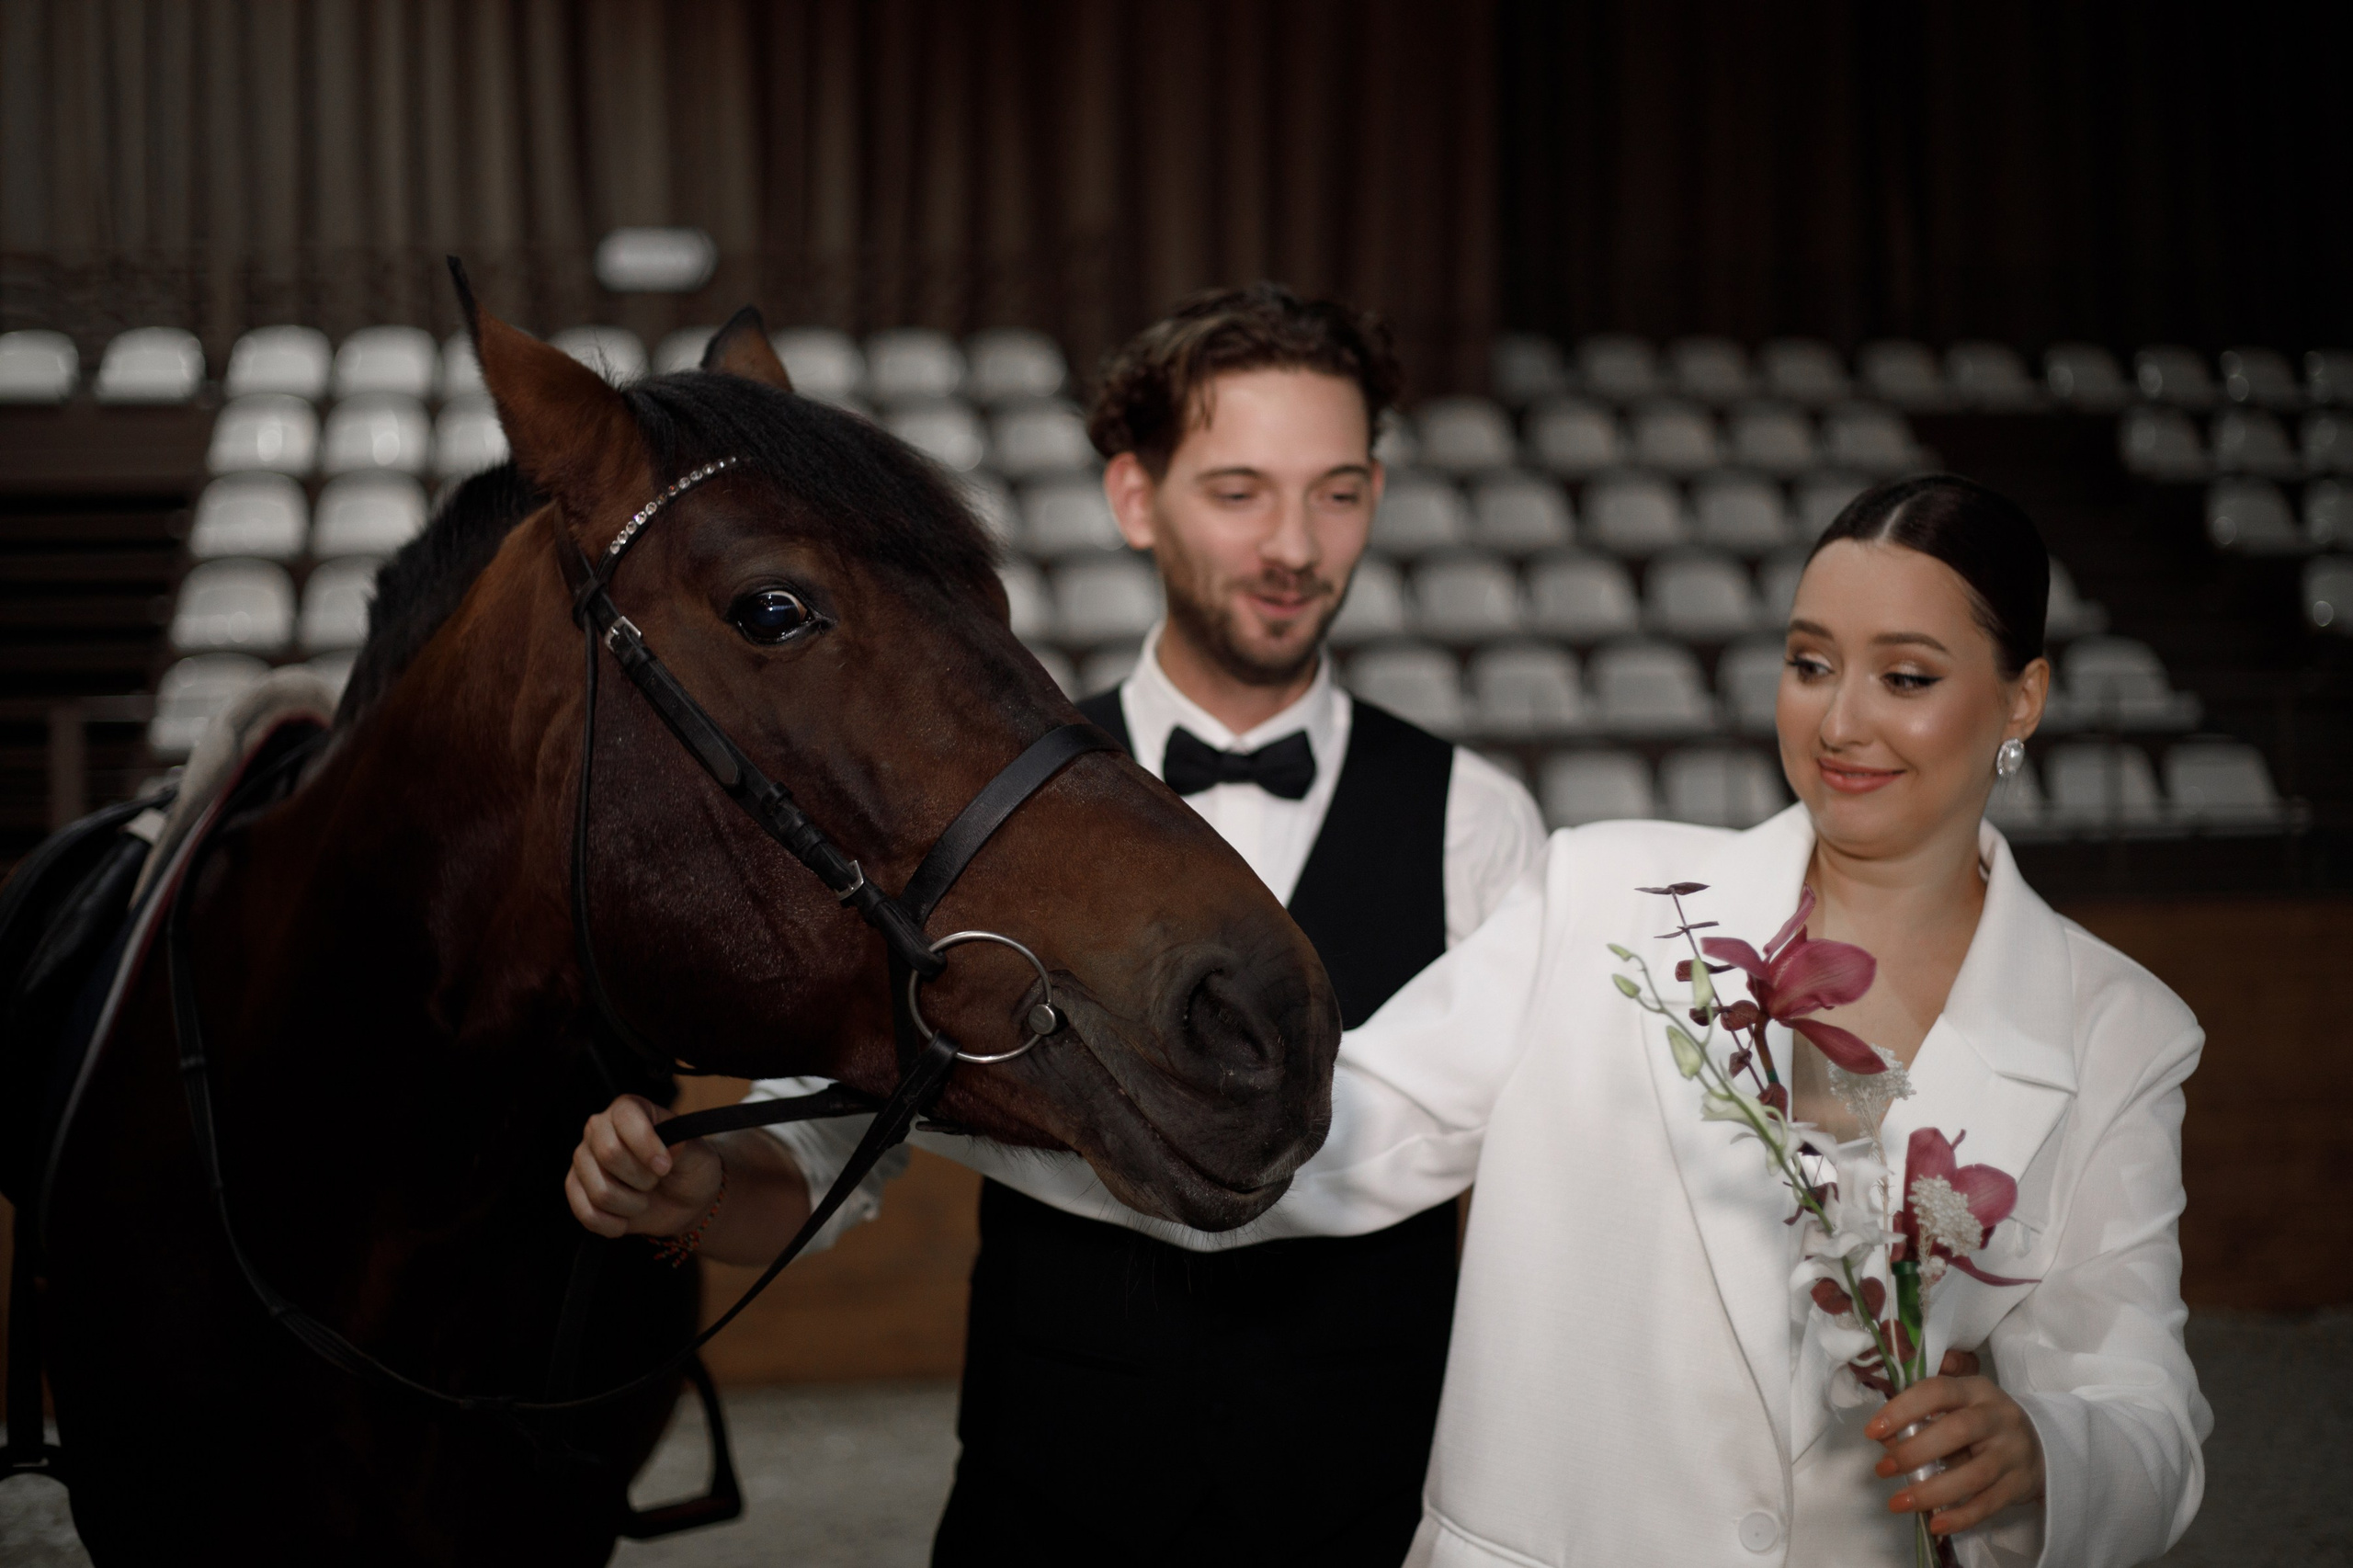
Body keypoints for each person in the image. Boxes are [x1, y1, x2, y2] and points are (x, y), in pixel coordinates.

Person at [567, 283, 1544, 1565]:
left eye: (1339, 488)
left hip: (1365, 1512)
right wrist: (690, 1188)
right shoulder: (955, 788)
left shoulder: (1480, 818)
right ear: (1135, 496)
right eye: (1240, 489)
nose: (1295, 544)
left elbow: (1527, 1201)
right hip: (1049, 1511)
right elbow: (819, 1146)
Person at [1154, 472, 2203, 1566]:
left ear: (2021, 697)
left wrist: (2043, 1449)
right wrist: (991, 1081)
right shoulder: (1602, 894)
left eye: (1905, 675)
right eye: (1808, 664)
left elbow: (2141, 1410)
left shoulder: (2119, 1029)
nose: (1838, 720)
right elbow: (1324, 1132)